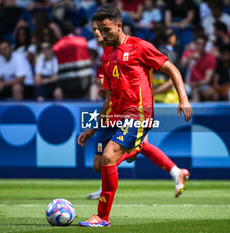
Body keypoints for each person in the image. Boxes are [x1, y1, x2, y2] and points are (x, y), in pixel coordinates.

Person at [77, 6, 192, 227]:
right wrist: (94, 128)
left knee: (110, 157)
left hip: (139, 114)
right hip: (115, 115)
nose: (102, 34)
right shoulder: (107, 55)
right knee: (99, 166)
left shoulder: (140, 47)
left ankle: (102, 217)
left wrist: (183, 99)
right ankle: (137, 147)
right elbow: (109, 97)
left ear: (119, 26)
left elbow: (172, 69)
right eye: (99, 30)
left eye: (106, 29)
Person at [52, 20, 92, 99]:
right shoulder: (83, 41)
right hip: (85, 80)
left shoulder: (57, 46)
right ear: (72, 30)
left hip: (67, 83)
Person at [181, 34, 217, 102]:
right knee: (183, 90)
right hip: (188, 85)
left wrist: (195, 84)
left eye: (202, 45)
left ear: (205, 45)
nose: (200, 47)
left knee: (210, 93)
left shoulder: (210, 58)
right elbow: (181, 66)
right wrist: (190, 57)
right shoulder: (188, 53)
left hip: (202, 85)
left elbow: (207, 79)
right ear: (195, 44)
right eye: (198, 44)